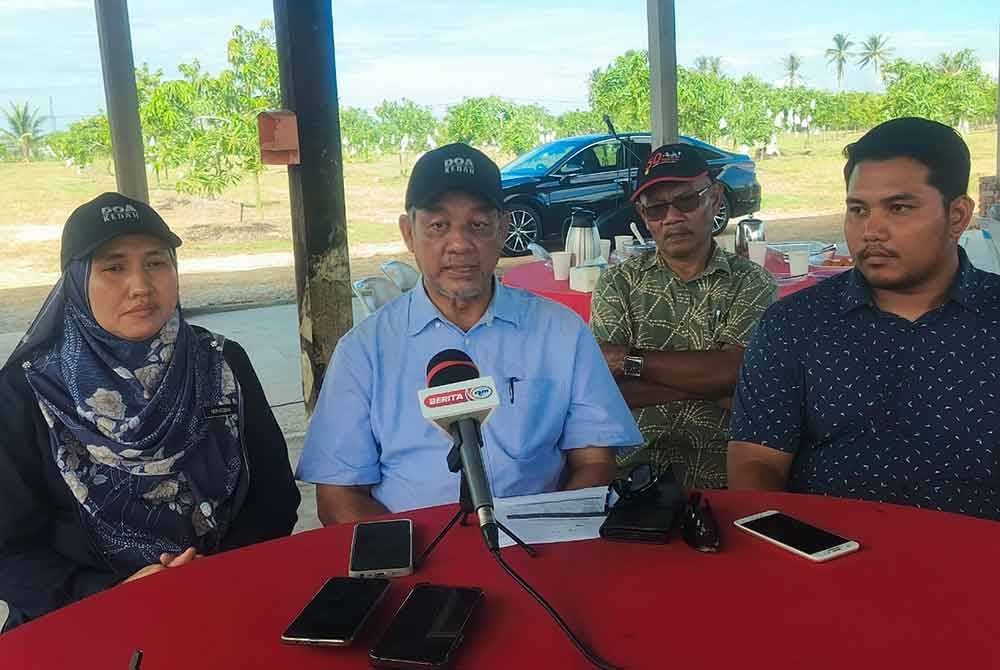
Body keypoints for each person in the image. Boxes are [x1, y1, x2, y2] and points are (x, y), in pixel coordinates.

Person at [297, 143, 643, 524]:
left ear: (504, 229)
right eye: (438, 226)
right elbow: (337, 496)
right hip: (416, 560)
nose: (459, 244)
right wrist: (420, 561)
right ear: (409, 233)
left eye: (478, 225)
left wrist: (548, 540)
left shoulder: (561, 332)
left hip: (538, 554)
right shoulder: (363, 351)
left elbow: (594, 462)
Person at [0, 193, 300, 631]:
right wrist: (106, 595)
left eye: (157, 262)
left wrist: (214, 573)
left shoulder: (220, 364)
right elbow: (9, 550)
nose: (141, 285)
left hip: (223, 597)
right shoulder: (27, 393)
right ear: (76, 280)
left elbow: (274, 497)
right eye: (114, 267)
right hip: (80, 619)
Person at [728, 117, 1000, 520]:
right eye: (858, 209)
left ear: (958, 216)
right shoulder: (795, 325)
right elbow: (756, 461)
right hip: (828, 562)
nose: (871, 230)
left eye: (900, 208)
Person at [590, 143, 775, 488]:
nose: (672, 217)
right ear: (644, 218)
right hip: (635, 472)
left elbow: (740, 375)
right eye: (657, 209)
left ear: (716, 198)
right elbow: (605, 391)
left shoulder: (752, 282)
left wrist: (629, 361)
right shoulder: (619, 281)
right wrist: (712, 384)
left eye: (687, 201)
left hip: (725, 472)